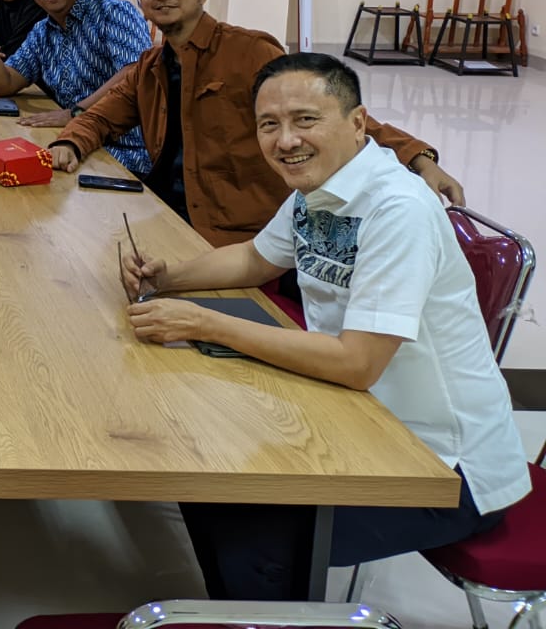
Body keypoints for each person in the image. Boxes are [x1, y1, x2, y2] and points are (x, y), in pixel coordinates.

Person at [124, 53, 528, 598]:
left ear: (358, 122)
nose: (285, 140)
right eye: (270, 124)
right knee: (208, 477)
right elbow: (256, 260)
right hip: (363, 421)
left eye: (305, 120)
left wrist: (207, 322)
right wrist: (167, 278)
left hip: (446, 469)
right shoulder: (320, 190)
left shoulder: (396, 210)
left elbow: (357, 363)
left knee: (248, 528)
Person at [49, 0, 462, 245]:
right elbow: (101, 116)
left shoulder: (248, 51)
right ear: (140, 1)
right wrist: (70, 141)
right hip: (163, 211)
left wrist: (416, 156)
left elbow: (332, 116)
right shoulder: (151, 66)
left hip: (233, 231)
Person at [0, 0, 153, 173]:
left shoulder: (114, 11)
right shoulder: (43, 31)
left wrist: (76, 113)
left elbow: (135, 73)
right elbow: (4, 84)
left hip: (121, 151)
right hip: (70, 142)